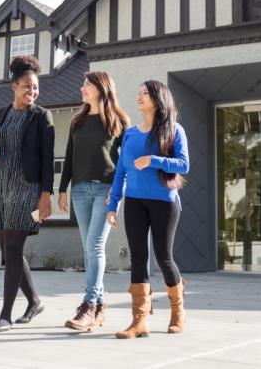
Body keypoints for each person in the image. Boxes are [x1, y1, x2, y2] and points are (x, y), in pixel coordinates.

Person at [106, 80, 189, 339]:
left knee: (164, 258)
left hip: (165, 201)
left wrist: (153, 160)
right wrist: (113, 204)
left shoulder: (174, 130)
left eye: (145, 93)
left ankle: (178, 311)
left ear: (158, 98)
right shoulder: (130, 133)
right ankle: (139, 320)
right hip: (134, 202)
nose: (139, 96)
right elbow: (121, 171)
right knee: (138, 257)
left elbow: (184, 164)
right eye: (139, 92)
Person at [0, 55, 54, 332]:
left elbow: (48, 159)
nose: (32, 91)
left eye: (35, 87)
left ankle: (5, 314)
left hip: (27, 188)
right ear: (14, 86)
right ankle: (34, 300)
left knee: (13, 249)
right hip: (1, 187)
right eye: (26, 86)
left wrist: (45, 195)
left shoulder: (41, 117)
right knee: (10, 249)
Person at [58, 71, 129, 332]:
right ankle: (99, 307)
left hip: (106, 190)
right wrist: (62, 189)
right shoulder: (77, 121)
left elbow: (126, 162)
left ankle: (88, 306)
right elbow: (69, 156)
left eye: (87, 84)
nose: (82, 88)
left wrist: (118, 191)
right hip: (79, 190)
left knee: (94, 246)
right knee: (89, 248)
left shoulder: (118, 120)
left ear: (101, 88)